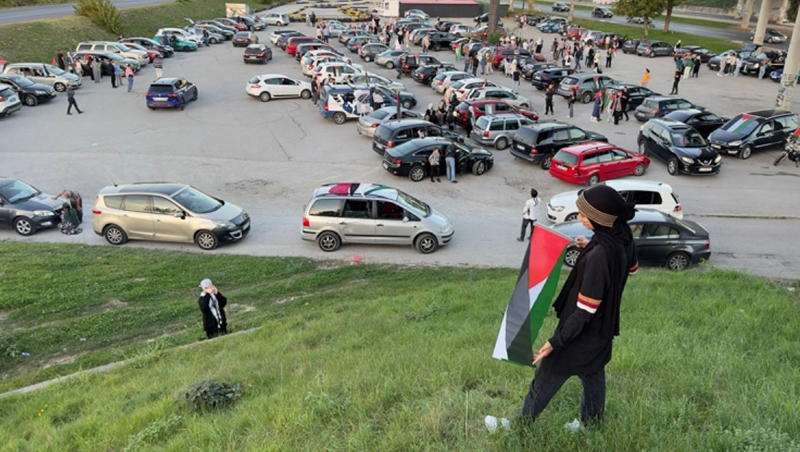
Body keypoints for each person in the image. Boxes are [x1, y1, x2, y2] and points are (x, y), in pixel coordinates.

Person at [516, 184, 638, 428]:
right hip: (604, 329)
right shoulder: (621, 236)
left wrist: (554, 343)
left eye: (584, 215)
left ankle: (520, 425)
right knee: (592, 373)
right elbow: (632, 268)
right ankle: (590, 425)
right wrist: (589, 245)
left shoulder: (600, 255)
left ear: (600, 219)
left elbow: (584, 311)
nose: (579, 217)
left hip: (583, 332)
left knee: (547, 374)